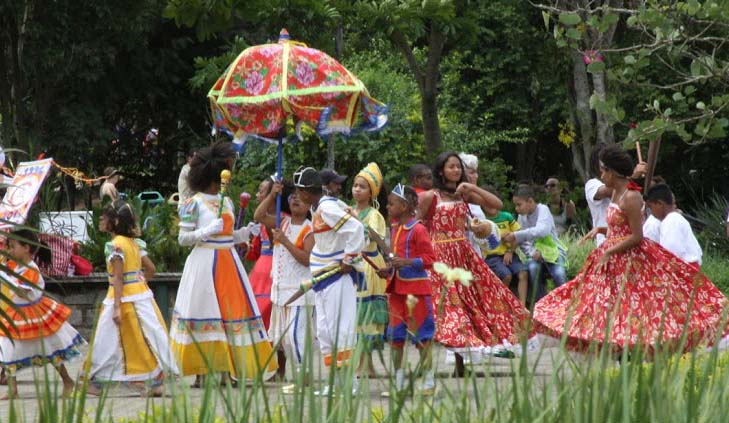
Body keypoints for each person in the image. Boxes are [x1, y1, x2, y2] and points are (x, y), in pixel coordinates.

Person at [533, 145, 729, 354]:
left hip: (628, 260)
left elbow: (637, 235)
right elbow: (619, 225)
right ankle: (610, 347)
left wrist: (609, 251)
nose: (601, 175)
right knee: (595, 304)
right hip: (609, 258)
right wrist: (602, 231)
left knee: (636, 307)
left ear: (613, 172)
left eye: (604, 170)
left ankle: (636, 350)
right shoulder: (616, 191)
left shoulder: (632, 197)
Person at [171, 142, 276, 385]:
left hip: (228, 264)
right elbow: (183, 238)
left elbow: (229, 235)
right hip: (204, 265)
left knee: (230, 315)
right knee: (205, 313)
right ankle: (201, 373)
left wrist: (245, 232)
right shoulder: (192, 203)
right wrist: (207, 230)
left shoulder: (225, 201)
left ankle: (230, 370)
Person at [418, 152, 530, 375]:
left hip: (463, 254)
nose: (456, 171)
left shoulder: (463, 195)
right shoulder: (431, 196)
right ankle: (425, 366)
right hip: (439, 256)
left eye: (458, 167)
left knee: (467, 306)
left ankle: (461, 366)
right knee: (442, 308)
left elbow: (496, 204)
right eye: (451, 167)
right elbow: (418, 224)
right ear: (441, 170)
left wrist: (472, 188)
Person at [85, 201, 176, 397]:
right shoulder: (134, 244)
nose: (101, 219)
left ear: (115, 221)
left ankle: (96, 381)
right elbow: (151, 269)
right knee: (144, 337)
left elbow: (118, 278)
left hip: (122, 298)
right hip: (142, 295)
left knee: (106, 338)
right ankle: (152, 378)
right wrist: (140, 280)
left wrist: (117, 306)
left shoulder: (115, 245)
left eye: (105, 216)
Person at [293, 167, 365, 395]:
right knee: (324, 330)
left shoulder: (327, 207)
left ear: (306, 191)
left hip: (337, 274)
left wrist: (349, 259)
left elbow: (356, 228)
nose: (296, 195)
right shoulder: (318, 208)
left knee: (340, 328)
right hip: (323, 276)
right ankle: (335, 382)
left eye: (298, 191)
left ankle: (350, 383)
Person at [0, 229, 84, 399]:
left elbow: (22, 291)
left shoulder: (32, 269)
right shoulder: (13, 266)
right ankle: (12, 388)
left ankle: (68, 381)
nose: (9, 251)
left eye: (13, 247)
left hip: (34, 315)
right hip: (16, 314)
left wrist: (3, 275)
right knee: (7, 349)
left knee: (51, 350)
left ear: (26, 248)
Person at [254, 180, 316, 392]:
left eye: (301, 196)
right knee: (283, 339)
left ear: (310, 204)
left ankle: (303, 376)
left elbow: (307, 259)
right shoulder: (283, 221)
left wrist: (285, 242)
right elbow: (258, 216)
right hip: (281, 290)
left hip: (299, 291)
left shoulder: (310, 229)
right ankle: (300, 376)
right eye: (293, 195)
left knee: (295, 336)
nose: (296, 199)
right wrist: (272, 194)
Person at [380, 184, 436, 397]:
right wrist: (388, 270)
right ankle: (399, 383)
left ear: (404, 206)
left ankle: (428, 382)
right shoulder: (394, 229)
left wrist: (408, 262)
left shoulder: (418, 229)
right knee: (395, 336)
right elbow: (397, 262)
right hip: (396, 290)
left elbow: (430, 259)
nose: (387, 206)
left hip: (416, 291)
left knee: (423, 336)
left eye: (392, 203)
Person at [351, 162, 389, 377]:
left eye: (362, 187)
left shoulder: (374, 215)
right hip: (353, 265)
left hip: (369, 266)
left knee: (366, 318)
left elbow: (371, 238)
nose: (357, 189)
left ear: (371, 192)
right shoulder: (349, 210)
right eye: (356, 185)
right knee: (355, 317)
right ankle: (366, 365)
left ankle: (365, 364)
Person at [503, 186, 568, 304]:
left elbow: (542, 230)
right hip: (536, 256)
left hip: (554, 253)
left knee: (559, 274)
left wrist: (515, 235)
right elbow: (523, 242)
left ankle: (566, 305)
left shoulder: (543, 209)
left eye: (519, 204)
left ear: (530, 201)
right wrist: (532, 253)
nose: (516, 208)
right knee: (533, 269)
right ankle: (542, 304)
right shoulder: (522, 217)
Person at [585, 143, 648, 246]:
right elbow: (608, 190)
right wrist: (632, 175)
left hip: (627, 245)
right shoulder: (591, 184)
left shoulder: (629, 194)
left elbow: (636, 235)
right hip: (605, 243)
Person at [248, 176, 280, 330]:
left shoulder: (281, 220)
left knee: (267, 314)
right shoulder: (260, 223)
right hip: (258, 274)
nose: (257, 195)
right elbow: (253, 252)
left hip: (272, 272)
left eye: (261, 191)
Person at [644, 183, 703, 266]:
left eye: (651, 207)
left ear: (660, 204)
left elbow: (671, 254)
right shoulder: (675, 219)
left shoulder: (670, 221)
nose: (652, 213)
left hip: (684, 269)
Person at [482, 204, 529, 305]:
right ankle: (503, 304)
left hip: (510, 253)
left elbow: (519, 235)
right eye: (486, 203)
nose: (491, 206)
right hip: (492, 256)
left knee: (523, 273)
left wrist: (510, 251)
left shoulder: (507, 216)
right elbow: (483, 241)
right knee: (506, 275)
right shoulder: (482, 220)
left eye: (492, 202)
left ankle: (522, 306)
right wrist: (500, 237)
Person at [459, 153, 489, 258]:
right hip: (460, 252)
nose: (476, 176)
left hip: (475, 251)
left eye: (476, 172)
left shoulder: (474, 197)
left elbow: (497, 204)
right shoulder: (455, 198)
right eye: (471, 173)